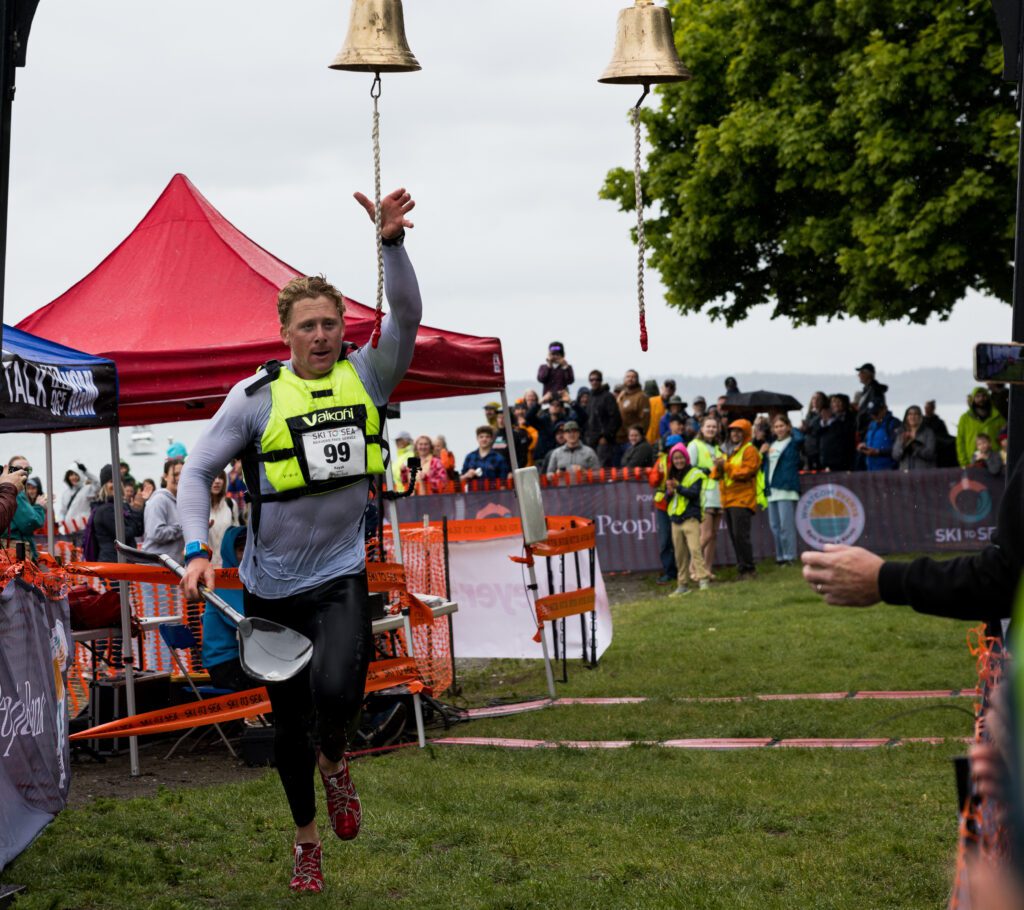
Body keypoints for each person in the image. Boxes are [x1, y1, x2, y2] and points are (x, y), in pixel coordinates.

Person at [176, 186, 419, 894]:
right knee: (287, 731)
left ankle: (337, 760)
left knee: (341, 690)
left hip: (339, 572)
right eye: (308, 325)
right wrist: (195, 549)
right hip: (273, 585)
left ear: (345, 328)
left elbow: (406, 314)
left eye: (331, 324)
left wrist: (392, 243)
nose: (321, 335)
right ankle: (306, 841)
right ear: (285, 332)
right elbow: (196, 471)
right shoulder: (254, 398)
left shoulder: (369, 375)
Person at [201, 525, 253, 692]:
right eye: (240, 549)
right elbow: (245, 622)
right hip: (225, 663)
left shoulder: (246, 581)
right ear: (230, 552)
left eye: (249, 548)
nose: (245, 554)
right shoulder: (223, 584)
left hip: (240, 658)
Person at [711, 420, 762, 579]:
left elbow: (746, 472)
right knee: (735, 536)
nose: (735, 434)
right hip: (728, 500)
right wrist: (718, 467)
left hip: (742, 500)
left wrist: (725, 466)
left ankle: (749, 569)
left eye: (739, 431)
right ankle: (743, 569)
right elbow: (715, 475)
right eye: (733, 431)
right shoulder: (727, 451)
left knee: (741, 536)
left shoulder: (750, 450)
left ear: (746, 433)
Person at [664, 442, 711, 596]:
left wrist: (677, 487)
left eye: (681, 457)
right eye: (675, 458)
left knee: (695, 550)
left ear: (686, 457)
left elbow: (693, 494)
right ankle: (682, 584)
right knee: (680, 554)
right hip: (676, 520)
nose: (679, 461)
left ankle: (703, 580)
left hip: (691, 518)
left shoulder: (695, 473)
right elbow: (667, 499)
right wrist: (669, 493)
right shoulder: (670, 474)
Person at [763, 415, 800, 566]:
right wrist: (763, 452)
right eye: (776, 426)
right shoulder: (771, 445)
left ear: (788, 426)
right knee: (775, 526)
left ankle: (790, 556)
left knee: (786, 526)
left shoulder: (793, 442)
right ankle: (781, 557)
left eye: (782, 426)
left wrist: (793, 430)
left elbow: (801, 437)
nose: (779, 429)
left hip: (786, 488)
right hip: (772, 489)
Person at [89, 464, 145, 562]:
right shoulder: (104, 510)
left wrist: (138, 509)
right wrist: (135, 512)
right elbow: (124, 535)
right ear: (104, 485)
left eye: (119, 481)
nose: (116, 484)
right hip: (112, 565)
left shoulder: (123, 506)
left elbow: (139, 531)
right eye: (111, 481)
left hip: (126, 562)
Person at [689, 415, 722, 577]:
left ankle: (707, 569)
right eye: (708, 426)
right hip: (703, 494)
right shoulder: (694, 445)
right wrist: (707, 470)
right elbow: (689, 470)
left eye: (714, 427)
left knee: (714, 535)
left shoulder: (717, 448)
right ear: (701, 428)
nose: (711, 429)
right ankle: (693, 567)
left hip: (718, 493)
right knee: (706, 534)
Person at [647, 433, 681, 584]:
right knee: (665, 540)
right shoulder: (661, 462)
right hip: (664, 506)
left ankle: (684, 571)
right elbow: (653, 481)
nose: (674, 450)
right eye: (671, 448)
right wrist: (659, 474)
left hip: (682, 504)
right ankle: (670, 572)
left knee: (681, 540)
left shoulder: (685, 462)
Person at [142, 458, 185, 560]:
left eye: (183, 474)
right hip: (156, 567)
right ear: (165, 477)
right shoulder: (159, 500)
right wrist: (183, 527)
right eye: (175, 474)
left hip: (170, 567)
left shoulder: (179, 501)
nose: (180, 478)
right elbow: (156, 533)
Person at [5, 455, 45, 559]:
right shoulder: (15, 491)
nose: (23, 473)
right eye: (17, 469)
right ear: (8, 470)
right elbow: (30, 522)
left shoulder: (10, 489)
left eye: (27, 470)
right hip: (14, 549)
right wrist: (39, 507)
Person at [957, 387, 1007, 468]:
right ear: (973, 399)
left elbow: (1006, 439)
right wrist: (964, 463)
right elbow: (960, 442)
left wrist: (1003, 459)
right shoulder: (964, 419)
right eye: (977, 396)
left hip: (995, 463)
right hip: (972, 463)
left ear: (988, 398)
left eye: (984, 396)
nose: (981, 399)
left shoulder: (998, 417)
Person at [585, 370, 622, 464]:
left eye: (597, 379)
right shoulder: (590, 397)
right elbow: (587, 418)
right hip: (590, 440)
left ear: (601, 381)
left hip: (604, 441)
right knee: (591, 468)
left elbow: (616, 419)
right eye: (592, 379)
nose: (594, 382)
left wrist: (606, 436)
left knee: (603, 469)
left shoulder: (608, 397)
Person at [209, 471, 240, 568]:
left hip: (227, 567)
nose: (217, 481)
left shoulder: (231, 504)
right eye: (213, 477)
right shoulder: (199, 507)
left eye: (220, 478)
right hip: (206, 566)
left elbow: (236, 536)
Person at [891, 406, 937, 471]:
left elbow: (930, 454)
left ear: (920, 417)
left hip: (923, 474)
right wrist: (903, 445)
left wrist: (913, 445)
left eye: (916, 414)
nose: (912, 417)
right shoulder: (902, 433)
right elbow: (895, 456)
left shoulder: (928, 433)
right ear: (906, 417)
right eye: (910, 414)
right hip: (906, 475)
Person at [818, 394, 856, 472]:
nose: (835, 404)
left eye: (838, 402)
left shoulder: (850, 418)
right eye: (833, 402)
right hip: (828, 460)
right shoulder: (827, 419)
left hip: (845, 460)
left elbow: (846, 435)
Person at [858, 403, 900, 471]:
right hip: (871, 467)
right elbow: (866, 440)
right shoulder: (871, 424)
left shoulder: (893, 424)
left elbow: (898, 448)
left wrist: (878, 452)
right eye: (871, 413)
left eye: (876, 413)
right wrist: (863, 445)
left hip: (887, 469)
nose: (873, 416)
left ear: (884, 409)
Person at [852, 363, 888, 437]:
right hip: (865, 429)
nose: (859, 375)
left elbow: (874, 410)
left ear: (869, 374)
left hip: (868, 429)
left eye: (861, 372)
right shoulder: (867, 390)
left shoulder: (874, 390)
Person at [616, 370, 650, 444]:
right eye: (628, 377)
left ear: (637, 380)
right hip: (619, 439)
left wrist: (639, 438)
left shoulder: (641, 396)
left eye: (633, 377)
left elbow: (645, 420)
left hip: (632, 440)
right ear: (624, 379)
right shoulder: (622, 395)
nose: (630, 379)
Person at [60, 461, 99, 526]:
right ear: (67, 477)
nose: (73, 477)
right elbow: (63, 512)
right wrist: (61, 522)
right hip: (69, 531)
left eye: (76, 474)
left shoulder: (88, 489)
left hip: (84, 529)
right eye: (71, 475)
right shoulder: (65, 494)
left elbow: (98, 484)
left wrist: (86, 472)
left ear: (80, 475)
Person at [800, 391, 827, 470]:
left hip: (819, 451)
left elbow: (822, 429)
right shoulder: (810, 414)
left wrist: (808, 428)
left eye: (818, 399)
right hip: (808, 450)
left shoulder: (825, 414)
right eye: (814, 398)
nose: (815, 401)